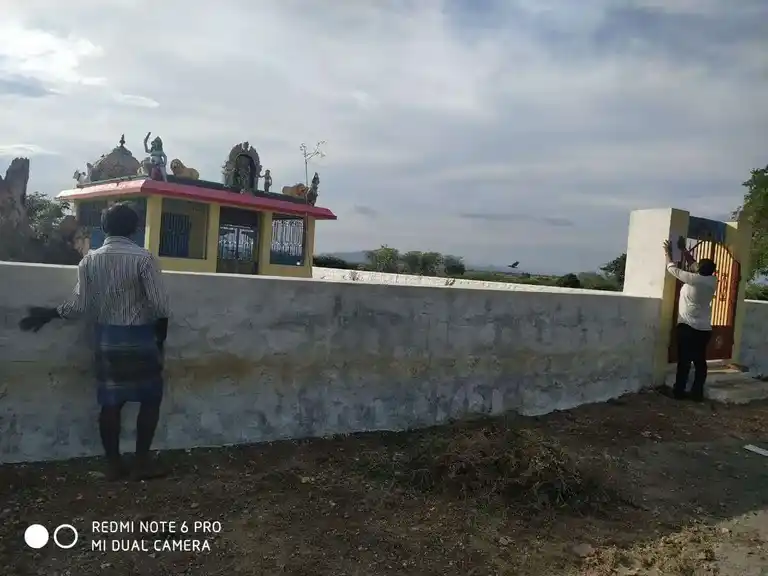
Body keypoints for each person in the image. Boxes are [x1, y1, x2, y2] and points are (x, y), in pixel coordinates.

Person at [19, 202, 170, 480]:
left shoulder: (90, 260)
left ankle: (113, 465)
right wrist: (160, 338)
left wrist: (50, 314)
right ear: (135, 229)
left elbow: (79, 306)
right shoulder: (144, 259)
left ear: (104, 228)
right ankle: (141, 464)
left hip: (107, 338)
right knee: (150, 399)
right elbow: (160, 306)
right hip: (139, 337)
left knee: (111, 403)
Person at [662, 239, 717, 401]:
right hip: (704, 330)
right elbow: (694, 266)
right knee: (700, 362)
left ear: (700, 270)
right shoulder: (711, 280)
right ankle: (696, 393)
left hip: (688, 327)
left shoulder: (694, 279)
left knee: (684, 361)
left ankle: (679, 392)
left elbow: (671, 268)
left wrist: (667, 253)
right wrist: (684, 250)